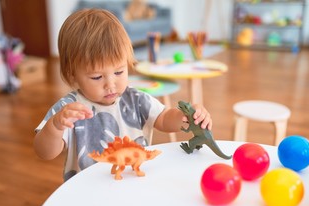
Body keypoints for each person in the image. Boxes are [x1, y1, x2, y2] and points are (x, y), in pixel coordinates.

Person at [34, 9, 212, 181]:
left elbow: (164, 119)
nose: (110, 85)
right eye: (97, 77)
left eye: (119, 72)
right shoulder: (68, 110)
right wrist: (55, 127)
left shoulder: (136, 99)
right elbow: (44, 152)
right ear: (72, 74)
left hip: (133, 181)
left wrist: (186, 116)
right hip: (88, 192)